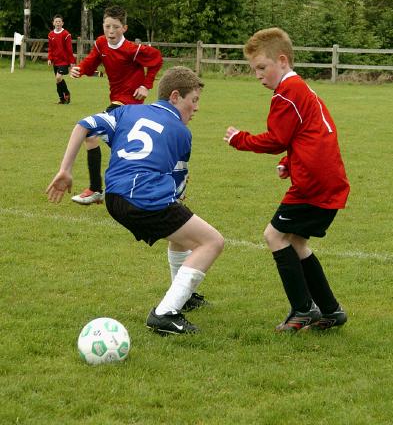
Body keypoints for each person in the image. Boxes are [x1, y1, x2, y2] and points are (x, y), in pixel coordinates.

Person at [46, 66, 224, 335]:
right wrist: (173, 195)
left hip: (115, 197)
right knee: (212, 241)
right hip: (144, 197)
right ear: (175, 96)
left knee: (181, 231)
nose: (196, 108)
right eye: (194, 100)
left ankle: (183, 297)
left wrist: (65, 169)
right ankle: (165, 314)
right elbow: (178, 182)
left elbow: (84, 125)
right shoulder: (181, 131)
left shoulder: (126, 110)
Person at [224, 27, 350, 332]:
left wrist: (240, 139)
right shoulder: (301, 89)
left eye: (262, 68)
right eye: (254, 69)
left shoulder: (287, 93)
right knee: (296, 241)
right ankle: (331, 311)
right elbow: (310, 135)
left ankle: (303, 308)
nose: (258, 75)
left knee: (274, 236)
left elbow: (277, 138)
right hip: (325, 177)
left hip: (314, 183)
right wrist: (290, 163)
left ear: (282, 61)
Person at [69, 5, 163, 205]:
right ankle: (103, 189)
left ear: (125, 28)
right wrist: (80, 69)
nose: (111, 31)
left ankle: (97, 190)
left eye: (116, 27)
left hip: (129, 102)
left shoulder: (132, 49)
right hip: (117, 101)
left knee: (91, 131)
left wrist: (146, 86)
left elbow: (156, 59)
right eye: (107, 26)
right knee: (108, 141)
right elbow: (91, 63)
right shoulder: (101, 44)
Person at [47, 14, 75, 104]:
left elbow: (69, 49)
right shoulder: (51, 35)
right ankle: (62, 99)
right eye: (56, 21)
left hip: (64, 61)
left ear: (62, 23)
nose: (58, 23)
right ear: (53, 23)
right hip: (55, 61)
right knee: (57, 80)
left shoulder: (66, 34)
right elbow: (50, 48)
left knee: (58, 78)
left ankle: (66, 93)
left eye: (59, 21)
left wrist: (72, 62)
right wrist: (49, 58)